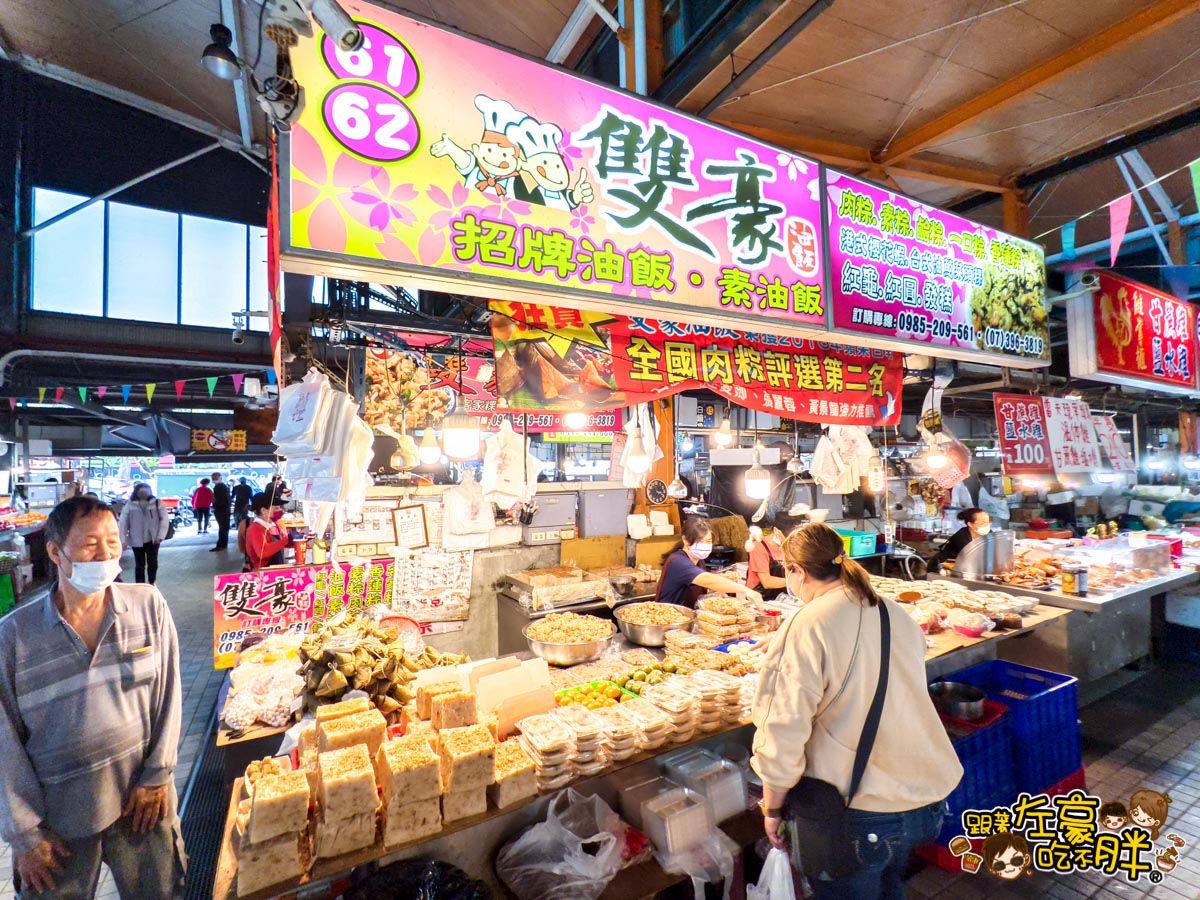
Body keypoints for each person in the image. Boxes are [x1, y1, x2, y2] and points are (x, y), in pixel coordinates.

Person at [753, 523, 961, 898]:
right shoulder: (891, 611)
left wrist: (772, 807)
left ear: (797, 570)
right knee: (889, 888)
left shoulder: (806, 624)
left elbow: (783, 730)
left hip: (860, 812)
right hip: (922, 803)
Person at [0, 496, 184, 898]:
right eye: (90, 544)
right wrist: (24, 834)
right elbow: (4, 745)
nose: (106, 554)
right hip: (58, 821)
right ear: (55, 552)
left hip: (142, 803)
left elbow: (170, 697)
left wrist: (158, 776)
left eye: (114, 542)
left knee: (161, 891)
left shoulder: (148, 606)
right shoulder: (12, 637)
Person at [655, 517, 762, 609]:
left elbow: (702, 588)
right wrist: (746, 590)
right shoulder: (677, 561)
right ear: (685, 540)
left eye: (708, 541)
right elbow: (707, 580)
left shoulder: (699, 560)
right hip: (669, 622)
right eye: (700, 541)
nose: (705, 545)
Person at [117, 483, 170, 585]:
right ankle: (140, 584)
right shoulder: (129, 505)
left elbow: (164, 520)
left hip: (153, 539)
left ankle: (152, 582)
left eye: (146, 491)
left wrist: (160, 536)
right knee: (139, 564)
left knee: (152, 562)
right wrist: (123, 540)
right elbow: (123, 523)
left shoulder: (157, 503)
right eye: (141, 491)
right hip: (136, 539)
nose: (144, 493)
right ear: (136, 492)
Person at [245, 493, 290, 570]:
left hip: (276, 570)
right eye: (275, 508)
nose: (280, 511)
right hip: (263, 574)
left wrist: (298, 539)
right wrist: (287, 539)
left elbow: (284, 542)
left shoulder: (275, 525)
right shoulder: (255, 529)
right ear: (264, 510)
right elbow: (262, 552)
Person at [746, 524, 788, 601]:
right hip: (761, 598)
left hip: (781, 598)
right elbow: (767, 582)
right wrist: (793, 582)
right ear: (776, 531)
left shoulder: (786, 547)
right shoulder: (758, 547)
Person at [210, 473, 231, 552]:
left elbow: (222, 499)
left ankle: (221, 545)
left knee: (223, 527)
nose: (214, 479)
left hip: (221, 510)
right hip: (224, 509)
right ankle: (222, 544)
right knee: (224, 527)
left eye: (215, 477)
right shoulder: (222, 487)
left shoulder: (219, 487)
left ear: (220, 478)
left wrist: (216, 503)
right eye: (213, 477)